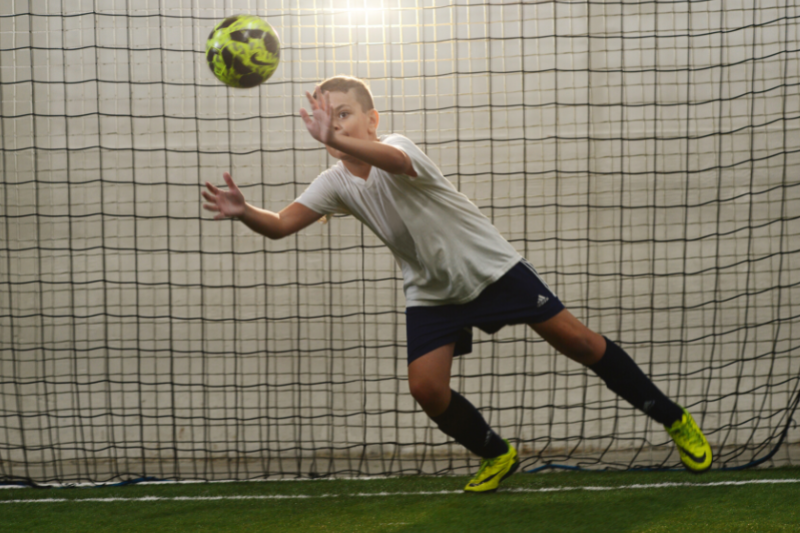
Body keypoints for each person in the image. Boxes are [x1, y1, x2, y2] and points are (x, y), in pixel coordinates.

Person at [201, 75, 712, 492]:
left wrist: (332, 139)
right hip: (432, 290)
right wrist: (245, 211)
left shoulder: (397, 146)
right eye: (326, 114)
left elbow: (396, 163)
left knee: (579, 342)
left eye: (343, 113)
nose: (332, 122)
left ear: (371, 120)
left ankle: (673, 418)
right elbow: (282, 225)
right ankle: (499, 454)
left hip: (489, 267)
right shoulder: (334, 182)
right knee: (426, 388)